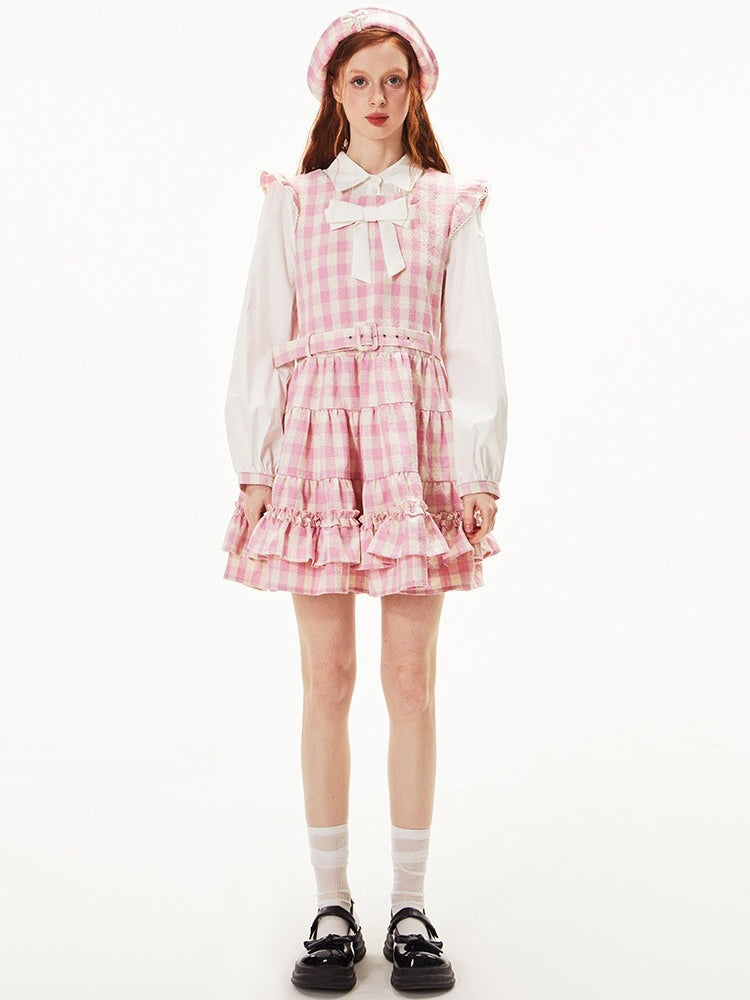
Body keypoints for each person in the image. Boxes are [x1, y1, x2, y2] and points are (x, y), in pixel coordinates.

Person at [221, 7, 508, 993]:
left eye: (394, 79)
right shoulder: (296, 204)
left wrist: (478, 468)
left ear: (415, 89)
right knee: (329, 679)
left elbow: (472, 341)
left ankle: (411, 903)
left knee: (411, 681)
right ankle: (332, 901)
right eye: (359, 81)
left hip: (411, 456)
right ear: (331, 92)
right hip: (316, 450)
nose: (378, 98)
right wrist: (255, 463)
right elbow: (262, 332)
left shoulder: (447, 205)